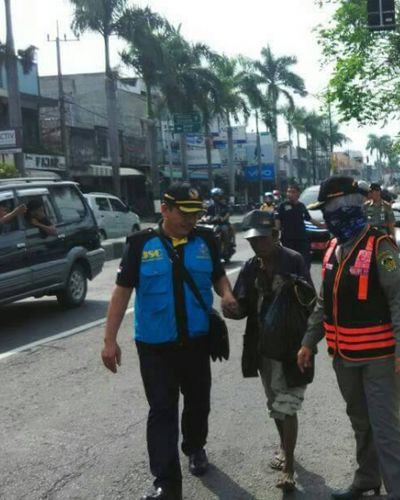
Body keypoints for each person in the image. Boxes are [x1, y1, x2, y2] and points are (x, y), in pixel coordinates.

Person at [101, 182, 238, 500]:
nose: (191, 220)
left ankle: (195, 446)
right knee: (161, 410)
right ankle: (166, 482)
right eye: (185, 214)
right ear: (165, 210)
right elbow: (121, 293)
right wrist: (110, 340)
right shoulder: (139, 245)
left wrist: (227, 294)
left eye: (196, 214)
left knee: (198, 401)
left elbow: (218, 275)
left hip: (196, 342)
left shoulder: (205, 239)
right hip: (154, 346)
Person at [297, 176, 400, 500]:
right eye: (325, 211)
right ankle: (367, 479)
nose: (329, 216)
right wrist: (309, 341)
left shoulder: (379, 245)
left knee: (385, 430)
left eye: (332, 208)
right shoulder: (335, 247)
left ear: (350, 206)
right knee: (361, 425)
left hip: (381, 358)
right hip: (345, 359)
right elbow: (325, 301)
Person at [226, 210, 313, 492]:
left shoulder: (294, 260)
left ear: (275, 237)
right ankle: (285, 448)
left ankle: (288, 466)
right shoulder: (251, 267)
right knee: (274, 403)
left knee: (287, 405)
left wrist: (308, 344)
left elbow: (311, 303)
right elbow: (242, 306)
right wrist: (231, 308)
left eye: (261, 240)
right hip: (263, 348)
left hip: (291, 348)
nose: (256, 245)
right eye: (252, 241)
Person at [275, 184, 322, 270]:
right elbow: (277, 223)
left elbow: (309, 219)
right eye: (288, 192)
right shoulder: (282, 206)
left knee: (305, 262)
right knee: (289, 263)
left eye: (293, 192)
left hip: (302, 239)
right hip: (288, 240)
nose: (290, 194)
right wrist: (275, 237)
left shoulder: (301, 206)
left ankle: (304, 280)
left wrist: (322, 225)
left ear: (298, 194)